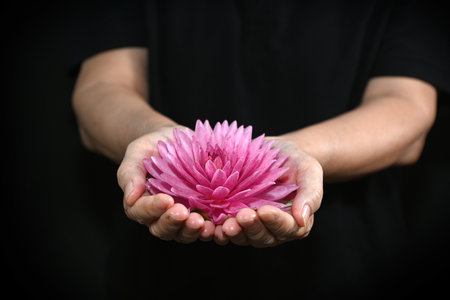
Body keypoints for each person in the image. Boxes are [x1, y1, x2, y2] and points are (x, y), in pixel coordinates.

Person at [71, 0, 449, 297]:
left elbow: (407, 104)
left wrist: (291, 155)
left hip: (350, 264)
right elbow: (100, 86)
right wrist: (160, 139)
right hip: (154, 272)